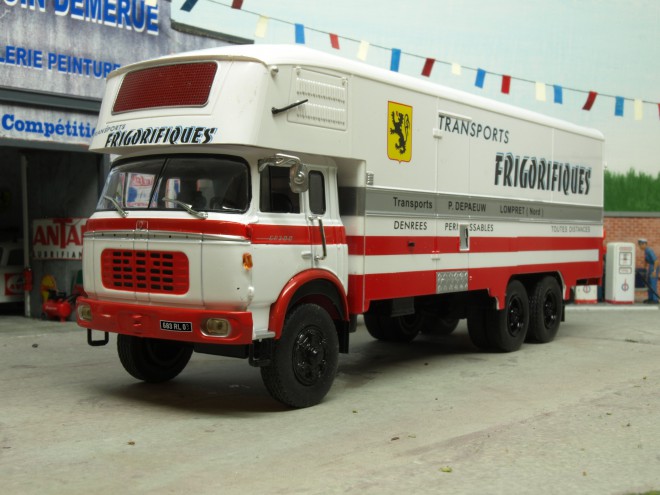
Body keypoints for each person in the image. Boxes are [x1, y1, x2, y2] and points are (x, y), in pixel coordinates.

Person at [637, 239, 659, 304]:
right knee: (649, 283)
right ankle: (650, 298)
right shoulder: (646, 251)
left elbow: (656, 261)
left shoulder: (649, 250)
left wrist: (654, 271)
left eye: (640, 245)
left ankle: (655, 299)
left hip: (654, 267)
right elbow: (646, 260)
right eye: (639, 245)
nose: (640, 247)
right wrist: (644, 268)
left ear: (644, 244)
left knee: (653, 283)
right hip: (650, 267)